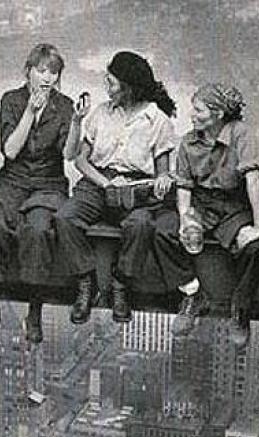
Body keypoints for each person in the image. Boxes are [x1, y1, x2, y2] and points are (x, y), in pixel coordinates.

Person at [54, 50, 178, 324]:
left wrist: (162, 180)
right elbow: (80, 160)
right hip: (97, 183)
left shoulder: (158, 121)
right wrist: (107, 183)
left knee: (140, 225)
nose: (106, 87)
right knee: (65, 218)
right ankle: (86, 282)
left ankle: (120, 283)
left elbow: (162, 173)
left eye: (111, 82)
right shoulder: (101, 113)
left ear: (129, 86)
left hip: (135, 189)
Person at [157, 83, 259, 348]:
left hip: (232, 205)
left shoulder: (242, 135)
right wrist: (186, 218)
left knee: (254, 250)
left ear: (218, 113)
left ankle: (240, 310)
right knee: (163, 232)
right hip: (200, 204)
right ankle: (192, 293)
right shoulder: (188, 142)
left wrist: (258, 226)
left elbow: (253, 181)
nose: (192, 115)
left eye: (199, 110)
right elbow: (184, 186)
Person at [0, 44, 74, 344]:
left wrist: (77, 125)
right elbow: (10, 150)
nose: (47, 78)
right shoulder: (11, 100)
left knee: (38, 230)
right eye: (41, 70)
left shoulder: (65, 106)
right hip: (13, 182)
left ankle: (35, 310)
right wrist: (30, 112)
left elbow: (68, 154)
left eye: (53, 72)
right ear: (28, 71)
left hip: (48, 184)